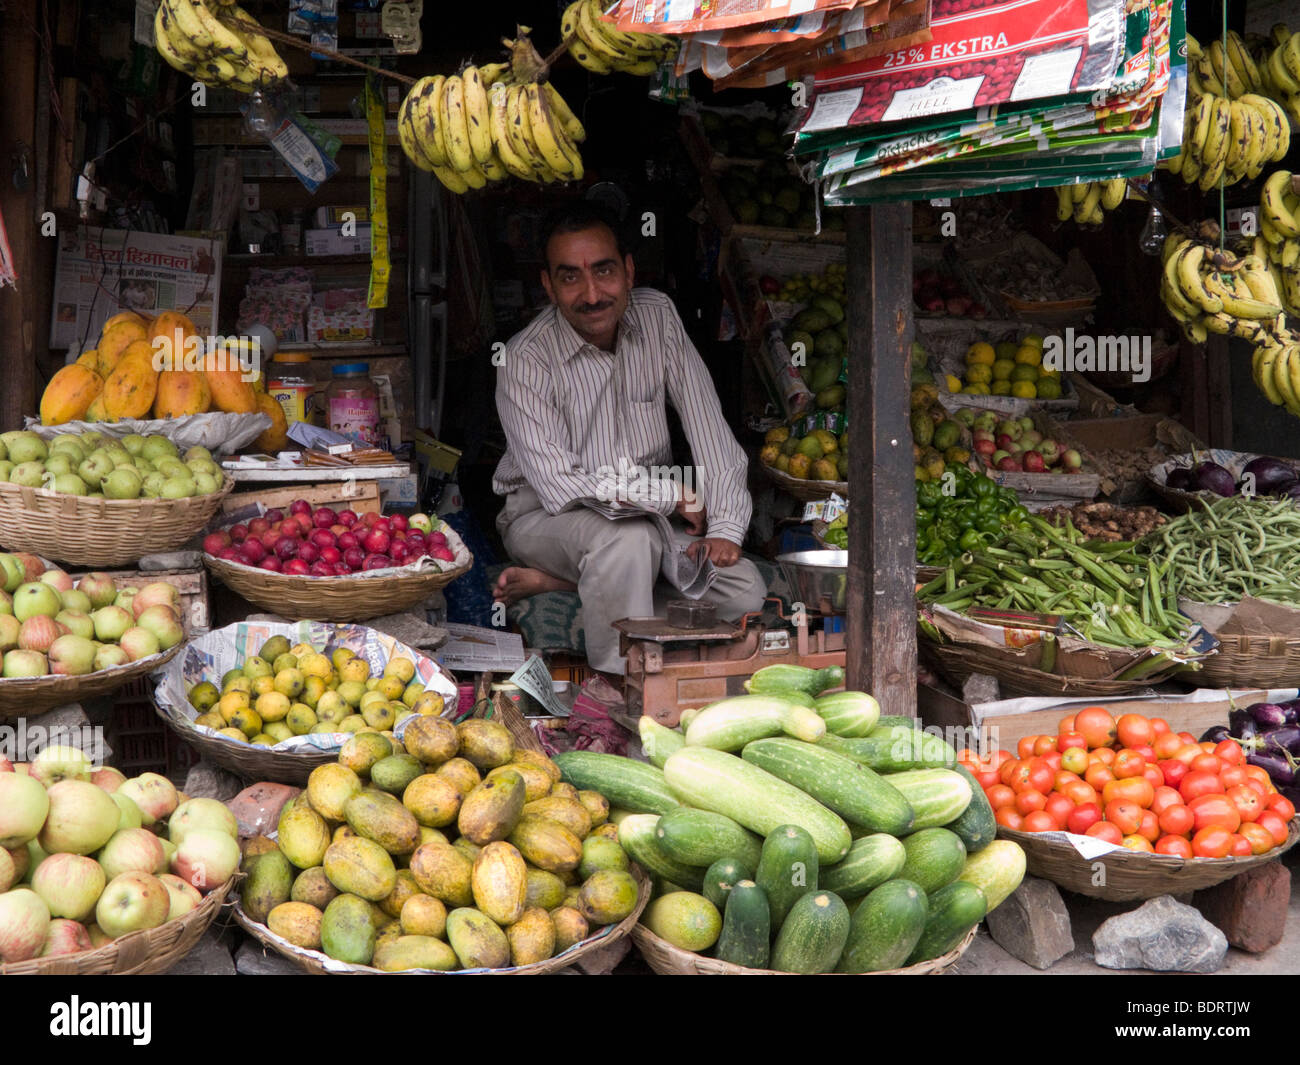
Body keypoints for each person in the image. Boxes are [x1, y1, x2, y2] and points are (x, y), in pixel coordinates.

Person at [492, 201, 766, 678]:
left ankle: (561, 583)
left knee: (742, 589)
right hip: (547, 516)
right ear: (548, 286)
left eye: (603, 271)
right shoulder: (523, 360)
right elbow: (561, 487)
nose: (592, 293)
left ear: (629, 270)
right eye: (571, 277)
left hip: (648, 517)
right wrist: (668, 494)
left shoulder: (657, 316)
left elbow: (709, 428)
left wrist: (725, 526)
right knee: (629, 542)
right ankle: (622, 688)